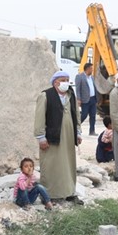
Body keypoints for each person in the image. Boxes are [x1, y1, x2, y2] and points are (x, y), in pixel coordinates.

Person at [35, 71, 83, 204]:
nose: (66, 82)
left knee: (68, 164)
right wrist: (41, 137)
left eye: (67, 80)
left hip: (69, 136)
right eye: (63, 80)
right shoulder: (46, 96)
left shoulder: (71, 95)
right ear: (55, 82)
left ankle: (69, 192)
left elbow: (76, 114)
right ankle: (50, 194)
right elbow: (39, 118)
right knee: (52, 165)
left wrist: (78, 132)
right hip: (52, 136)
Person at [75, 62, 98, 136]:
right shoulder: (79, 77)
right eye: (91, 68)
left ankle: (92, 131)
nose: (92, 70)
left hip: (93, 99)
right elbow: (78, 89)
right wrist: (78, 99)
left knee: (93, 115)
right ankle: (76, 126)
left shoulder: (92, 77)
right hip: (85, 100)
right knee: (84, 115)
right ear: (87, 69)